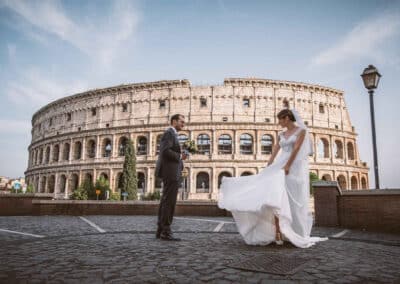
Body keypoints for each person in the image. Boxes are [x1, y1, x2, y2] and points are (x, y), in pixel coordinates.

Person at [218, 109, 328, 248]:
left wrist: (288, 166)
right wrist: (269, 165)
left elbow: (296, 150)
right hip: (279, 165)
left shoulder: (301, 131)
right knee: (275, 198)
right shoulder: (281, 134)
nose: (278, 122)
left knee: (291, 199)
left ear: (287, 118)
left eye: (280, 119)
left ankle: (292, 231)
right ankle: (278, 232)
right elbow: (275, 150)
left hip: (294, 167)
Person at [155, 114, 188, 241]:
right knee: (169, 203)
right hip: (170, 172)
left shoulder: (172, 134)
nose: (183, 124)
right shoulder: (169, 133)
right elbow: (165, 151)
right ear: (174, 121)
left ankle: (161, 230)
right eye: (181, 121)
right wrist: (180, 157)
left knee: (165, 202)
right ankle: (166, 231)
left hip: (171, 171)